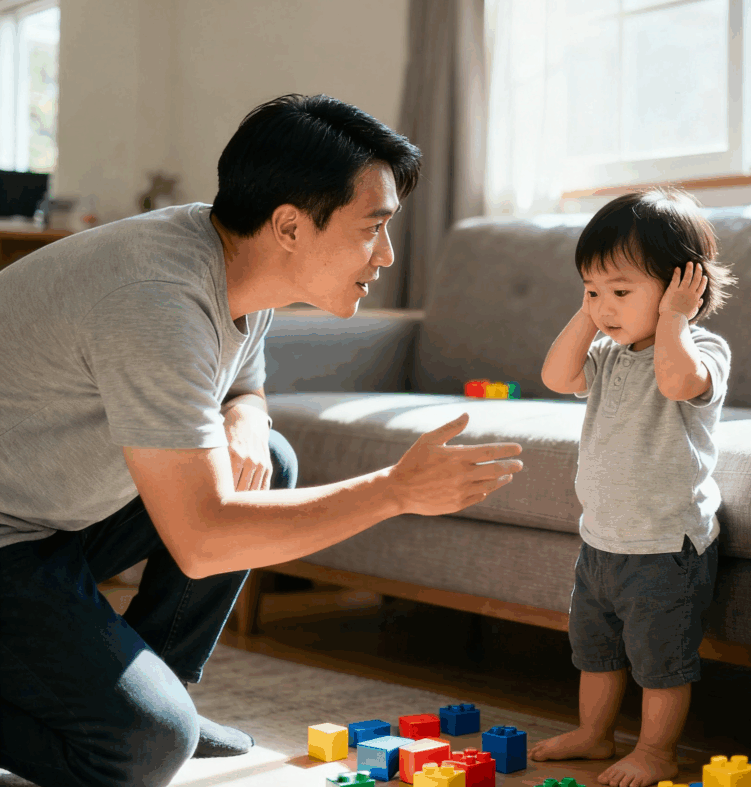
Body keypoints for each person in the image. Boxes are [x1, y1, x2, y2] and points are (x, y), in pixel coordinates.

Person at [0, 94, 523, 787]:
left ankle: (164, 684)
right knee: (143, 748)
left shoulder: (242, 270)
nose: (389, 253)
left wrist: (246, 415)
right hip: (10, 534)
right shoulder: (158, 300)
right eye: (374, 227)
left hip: (48, 515)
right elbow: (203, 537)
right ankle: (150, 716)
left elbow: (245, 381)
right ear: (289, 225)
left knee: (266, 456)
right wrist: (395, 489)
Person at [529, 188, 735, 787]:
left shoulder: (703, 350)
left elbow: (676, 383)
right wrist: (589, 310)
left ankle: (656, 751)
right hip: (601, 543)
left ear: (682, 287)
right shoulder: (608, 354)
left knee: (661, 662)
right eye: (593, 290)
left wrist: (674, 320)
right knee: (597, 652)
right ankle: (595, 734)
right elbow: (555, 375)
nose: (605, 307)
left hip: (665, 548)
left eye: (621, 292)